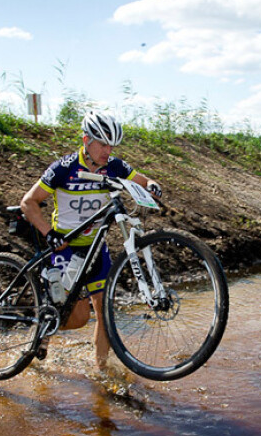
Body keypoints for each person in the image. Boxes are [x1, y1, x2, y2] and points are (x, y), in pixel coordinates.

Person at [20, 111, 162, 370]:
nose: (108, 151)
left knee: (104, 314)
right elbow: (28, 202)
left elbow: (143, 180)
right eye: (103, 144)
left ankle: (102, 371)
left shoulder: (115, 166)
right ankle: (43, 327)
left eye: (112, 145)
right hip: (65, 248)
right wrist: (48, 234)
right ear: (86, 140)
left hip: (97, 250)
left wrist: (152, 184)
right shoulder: (63, 168)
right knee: (76, 319)